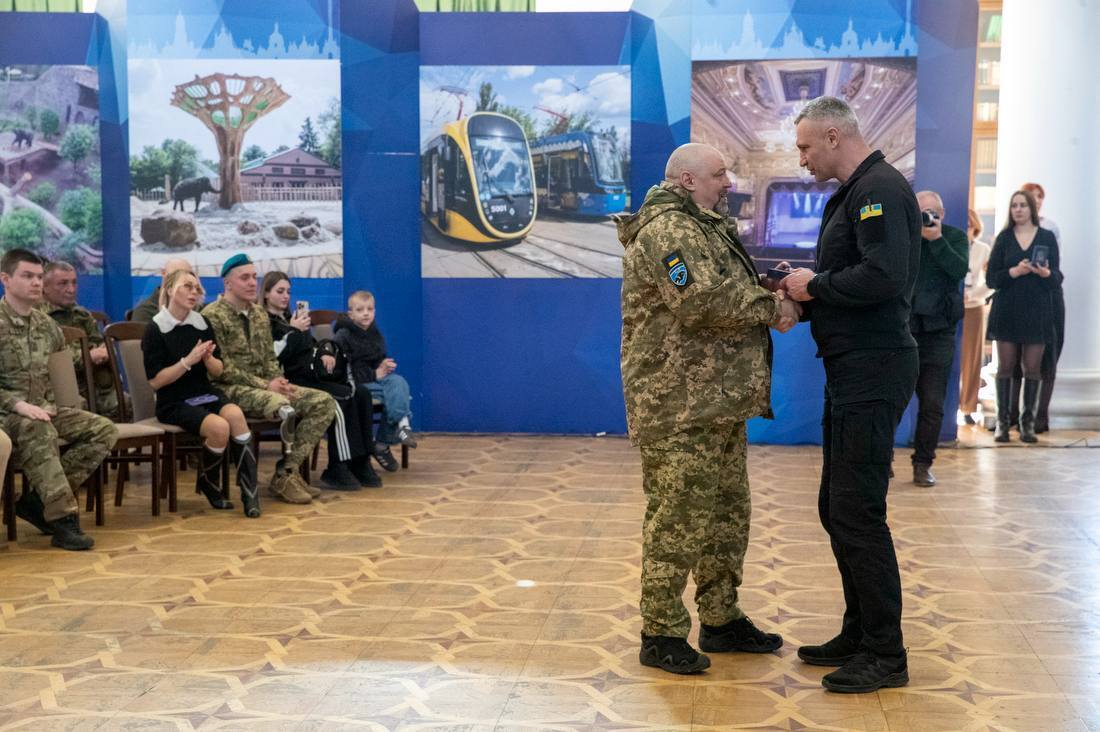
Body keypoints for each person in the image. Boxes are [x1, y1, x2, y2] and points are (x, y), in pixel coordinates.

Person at [617, 142, 798, 675]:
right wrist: (772, 307)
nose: (728, 182)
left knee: (724, 516)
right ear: (687, 180)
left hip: (713, 401)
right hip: (677, 405)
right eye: (720, 174)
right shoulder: (667, 231)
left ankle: (720, 618)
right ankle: (661, 633)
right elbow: (697, 302)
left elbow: (721, 287)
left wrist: (761, 288)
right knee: (676, 520)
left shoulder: (702, 225)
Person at [781, 96, 920, 693]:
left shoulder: (879, 190)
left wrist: (815, 288)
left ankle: (886, 654)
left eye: (807, 146)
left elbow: (885, 277)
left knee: (857, 511)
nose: (803, 158)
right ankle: (859, 632)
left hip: (874, 366)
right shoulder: (860, 188)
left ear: (836, 135)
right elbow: (862, 276)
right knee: (836, 507)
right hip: (852, 366)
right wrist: (811, 293)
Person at [1, 249, 118, 550]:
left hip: (42, 408)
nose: (36, 283)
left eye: (39, 277)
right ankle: (64, 521)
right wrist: (18, 405)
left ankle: (38, 501)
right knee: (38, 430)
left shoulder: (46, 326)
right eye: (27, 276)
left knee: (103, 429)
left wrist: (51, 405)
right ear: (6, 279)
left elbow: (52, 375)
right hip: (6, 413)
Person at [203, 254, 337, 504]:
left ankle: (286, 473)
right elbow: (221, 369)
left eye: (254, 277)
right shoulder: (212, 315)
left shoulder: (259, 315)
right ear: (228, 283)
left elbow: (269, 358)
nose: (253, 282)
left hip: (267, 387)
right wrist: (267, 385)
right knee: (283, 407)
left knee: (323, 402)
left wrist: (279, 380)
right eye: (245, 277)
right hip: (230, 389)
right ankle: (284, 477)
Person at [143, 269, 260, 517]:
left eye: (197, 288)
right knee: (219, 428)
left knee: (236, 416)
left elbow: (217, 371)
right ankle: (208, 482)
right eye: (187, 286)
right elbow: (156, 382)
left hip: (204, 393)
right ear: (170, 289)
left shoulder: (201, 322)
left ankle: (250, 494)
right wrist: (188, 361)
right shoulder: (156, 329)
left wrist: (207, 359)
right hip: (173, 400)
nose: (194, 292)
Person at [261, 272, 382, 490]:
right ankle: (338, 465)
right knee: (337, 402)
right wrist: (293, 330)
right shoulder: (265, 322)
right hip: (293, 379)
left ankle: (361, 459)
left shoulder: (291, 317)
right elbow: (272, 356)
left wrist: (325, 350)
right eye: (280, 291)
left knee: (361, 394)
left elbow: (311, 344)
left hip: (313, 373)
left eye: (288, 291)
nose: (285, 296)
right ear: (267, 294)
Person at [986, 190, 1061, 444]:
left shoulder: (1047, 237)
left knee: (1032, 368)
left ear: (1032, 209)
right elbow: (992, 279)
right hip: (1007, 310)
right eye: (1014, 205)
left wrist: (1044, 274)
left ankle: (1027, 425)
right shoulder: (1004, 238)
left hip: (1037, 310)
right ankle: (1003, 425)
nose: (1018, 209)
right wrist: (1014, 272)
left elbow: (1057, 278)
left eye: (1023, 205)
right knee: (1005, 368)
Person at [907, 191, 969, 486]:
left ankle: (922, 463)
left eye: (930, 212)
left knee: (932, 403)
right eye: (920, 212)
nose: (926, 218)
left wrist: (937, 241)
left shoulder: (954, 238)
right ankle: (881, 461)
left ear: (941, 215)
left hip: (939, 332)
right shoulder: (905, 237)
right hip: (905, 329)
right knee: (892, 400)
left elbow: (958, 270)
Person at [333, 291, 417, 473]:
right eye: (360, 310)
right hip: (356, 384)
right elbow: (343, 370)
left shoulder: (375, 332)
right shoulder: (343, 336)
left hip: (375, 380)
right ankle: (397, 431)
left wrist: (384, 366)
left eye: (370, 309)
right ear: (351, 314)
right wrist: (374, 374)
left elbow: (378, 359)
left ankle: (386, 439)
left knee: (399, 383)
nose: (366, 313)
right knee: (397, 396)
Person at [40, 260, 121, 419]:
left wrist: (105, 351)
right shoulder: (38, 318)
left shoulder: (82, 315)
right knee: (81, 408)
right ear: (45, 286)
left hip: (94, 383)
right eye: (63, 283)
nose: (71, 289)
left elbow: (99, 344)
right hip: (58, 388)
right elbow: (46, 357)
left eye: (74, 283)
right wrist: (87, 356)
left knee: (123, 402)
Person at [1020, 182, 1063, 433]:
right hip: (1020, 298)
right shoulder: (1009, 232)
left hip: (1047, 295)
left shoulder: (1049, 230)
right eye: (1028, 198)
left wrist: (1045, 272)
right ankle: (1013, 418)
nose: (1034, 202)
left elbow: (1056, 270)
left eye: (1038, 198)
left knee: (1045, 359)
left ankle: (1039, 418)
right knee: (1015, 362)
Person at [959, 208, 993, 425]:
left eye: (970, 226)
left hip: (974, 307)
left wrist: (972, 294)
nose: (967, 230)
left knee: (972, 359)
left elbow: (991, 281)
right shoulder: (952, 246)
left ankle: (968, 407)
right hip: (951, 305)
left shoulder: (983, 249)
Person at [132, 258, 194, 323]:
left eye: (189, 275)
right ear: (164, 274)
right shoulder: (145, 312)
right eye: (176, 275)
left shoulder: (197, 308)